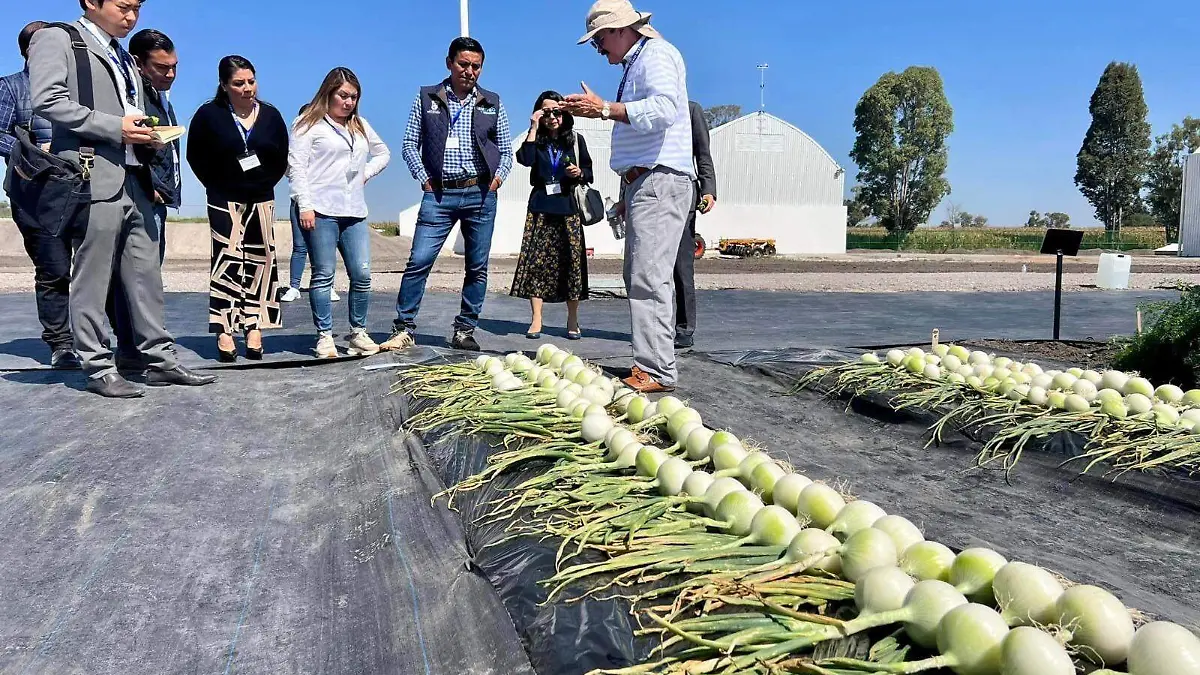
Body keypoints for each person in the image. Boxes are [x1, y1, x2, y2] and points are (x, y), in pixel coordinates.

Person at [28, 0, 216, 397]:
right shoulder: (58, 39)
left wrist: (146, 136)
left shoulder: (122, 54)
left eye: (137, 8)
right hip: (92, 174)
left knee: (147, 275)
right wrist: (115, 127)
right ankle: (97, 366)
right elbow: (48, 100)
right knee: (92, 277)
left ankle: (160, 359)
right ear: (90, 2)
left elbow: (128, 110)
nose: (132, 17)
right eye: (124, 6)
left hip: (136, 177)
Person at [564, 0, 694, 393]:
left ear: (621, 30)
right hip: (647, 180)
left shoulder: (656, 55)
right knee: (641, 274)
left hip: (660, 179)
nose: (599, 47)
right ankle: (650, 364)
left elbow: (664, 110)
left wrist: (604, 108)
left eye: (600, 39)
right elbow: (646, 132)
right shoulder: (636, 63)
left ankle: (656, 370)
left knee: (649, 276)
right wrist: (628, 191)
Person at [379, 36, 513, 353]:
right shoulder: (428, 98)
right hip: (438, 196)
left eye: (476, 66)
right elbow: (409, 144)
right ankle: (403, 328)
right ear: (449, 63)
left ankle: (464, 329)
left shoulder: (492, 102)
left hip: (480, 195)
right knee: (419, 261)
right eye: (463, 64)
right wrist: (424, 178)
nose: (470, 71)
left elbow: (506, 151)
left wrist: (497, 180)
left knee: (477, 266)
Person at [186, 55, 288, 361]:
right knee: (227, 260)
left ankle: (254, 325)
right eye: (238, 83)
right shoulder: (208, 114)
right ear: (224, 85)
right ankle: (225, 329)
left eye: (251, 81)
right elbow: (196, 156)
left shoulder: (270, 115)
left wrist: (263, 182)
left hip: (261, 197)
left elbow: (281, 156)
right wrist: (217, 184)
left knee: (261, 260)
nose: (247, 88)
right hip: (223, 198)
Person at [288, 67, 390, 358]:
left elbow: (383, 153)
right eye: (343, 96)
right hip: (320, 209)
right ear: (329, 93)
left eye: (354, 98)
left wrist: (365, 173)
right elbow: (297, 167)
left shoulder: (359, 125)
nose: (348, 103)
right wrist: (304, 205)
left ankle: (358, 332)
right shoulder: (307, 124)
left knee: (362, 273)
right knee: (323, 274)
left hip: (354, 210)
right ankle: (324, 336)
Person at [2, 21, 78, 369]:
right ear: (27, 51)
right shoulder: (12, 88)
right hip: (34, 195)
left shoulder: (74, 87)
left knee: (98, 268)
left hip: (81, 187)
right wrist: (33, 150)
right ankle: (61, 344)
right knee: (54, 269)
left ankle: (105, 339)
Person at [107, 26, 180, 372]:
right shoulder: (135, 99)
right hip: (140, 194)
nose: (170, 74)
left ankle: (136, 345)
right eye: (161, 67)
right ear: (137, 63)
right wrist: (149, 183)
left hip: (157, 197)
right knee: (131, 279)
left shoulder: (160, 96)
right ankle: (130, 347)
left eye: (174, 67)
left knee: (145, 275)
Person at [510, 91, 594, 340]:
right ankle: (536, 319)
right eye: (547, 112)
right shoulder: (537, 140)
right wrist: (533, 126)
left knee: (572, 266)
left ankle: (572, 318)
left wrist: (579, 172)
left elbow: (589, 172)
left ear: (565, 113)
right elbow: (524, 159)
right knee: (537, 265)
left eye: (557, 111)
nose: (553, 117)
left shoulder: (575, 140)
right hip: (541, 208)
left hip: (568, 209)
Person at [280, 104, 340, 305]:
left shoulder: (325, 146)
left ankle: (328, 286)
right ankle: (294, 287)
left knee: (324, 247)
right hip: (298, 202)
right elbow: (289, 171)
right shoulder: (294, 148)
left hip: (324, 202)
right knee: (299, 246)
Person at [673, 100, 716, 350]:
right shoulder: (647, 109)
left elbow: (703, 153)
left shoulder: (690, 110)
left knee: (681, 268)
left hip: (684, 197)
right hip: (653, 199)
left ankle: (685, 328)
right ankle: (658, 326)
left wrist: (709, 190)